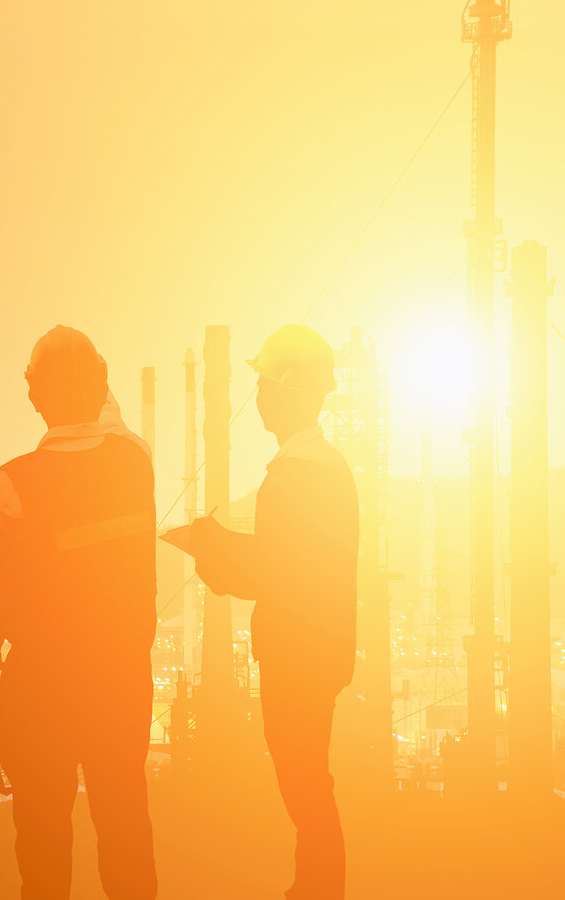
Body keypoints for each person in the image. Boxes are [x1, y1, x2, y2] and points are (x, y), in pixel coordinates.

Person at [0, 325, 158, 900]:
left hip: (38, 694)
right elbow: (113, 424)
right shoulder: (134, 465)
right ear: (100, 387)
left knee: (42, 856)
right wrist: (94, 377)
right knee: (127, 846)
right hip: (119, 686)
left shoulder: (7, 487)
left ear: (33, 396)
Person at [184, 324, 358, 900]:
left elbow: (276, 571)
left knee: (304, 784)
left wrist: (212, 550)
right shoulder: (323, 469)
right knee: (309, 782)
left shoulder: (295, 475)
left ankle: (316, 889)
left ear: (287, 389)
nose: (256, 397)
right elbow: (296, 561)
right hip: (318, 650)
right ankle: (313, 884)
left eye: (262, 385)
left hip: (297, 656)